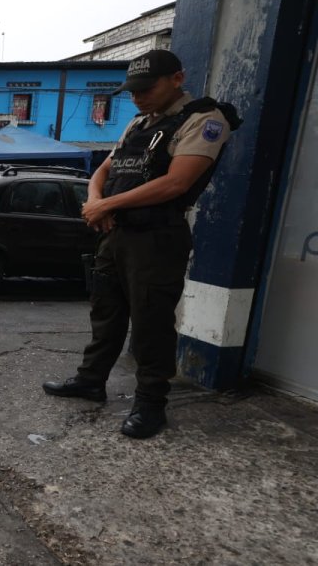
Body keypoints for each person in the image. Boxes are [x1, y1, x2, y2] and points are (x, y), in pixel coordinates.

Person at [42, 50, 233, 439]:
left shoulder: (203, 120)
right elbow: (104, 169)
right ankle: (90, 381)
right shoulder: (138, 124)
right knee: (106, 313)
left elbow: (176, 182)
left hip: (157, 238)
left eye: (147, 88)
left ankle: (151, 404)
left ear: (177, 79)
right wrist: (97, 203)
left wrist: (105, 205)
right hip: (116, 233)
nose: (138, 97)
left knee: (151, 324)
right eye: (133, 90)